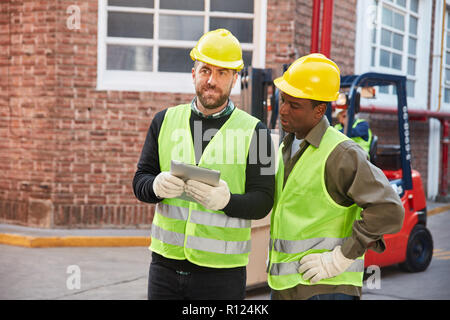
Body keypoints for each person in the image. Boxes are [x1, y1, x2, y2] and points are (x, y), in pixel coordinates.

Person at [133, 29, 275, 300]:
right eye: (205, 70)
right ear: (193, 73)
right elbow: (140, 180)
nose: (212, 80)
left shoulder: (257, 132)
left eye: (222, 73)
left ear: (235, 78)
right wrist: (155, 185)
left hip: (221, 275)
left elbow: (264, 200)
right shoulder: (163, 121)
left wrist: (226, 201)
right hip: (164, 267)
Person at [267, 53, 404, 300]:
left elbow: (390, 209)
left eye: (294, 105)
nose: (283, 110)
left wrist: (341, 257)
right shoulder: (288, 146)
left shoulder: (341, 153)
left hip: (326, 288)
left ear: (319, 110)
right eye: (283, 100)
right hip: (287, 286)